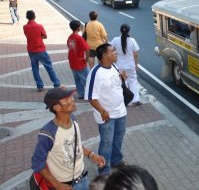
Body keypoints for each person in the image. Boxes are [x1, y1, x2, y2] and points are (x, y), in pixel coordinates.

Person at [31, 88, 106, 190]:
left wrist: (91, 155)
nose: (72, 100)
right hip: (65, 186)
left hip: (83, 179)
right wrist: (58, 185)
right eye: (67, 99)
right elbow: (37, 163)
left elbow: (76, 144)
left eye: (71, 97)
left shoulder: (73, 120)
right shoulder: (47, 133)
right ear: (57, 107)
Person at [85, 43, 128, 176]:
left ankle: (116, 161)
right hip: (107, 116)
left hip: (121, 112)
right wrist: (102, 111)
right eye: (112, 51)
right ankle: (104, 171)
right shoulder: (95, 73)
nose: (115, 53)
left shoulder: (113, 66)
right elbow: (91, 97)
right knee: (106, 143)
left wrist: (122, 78)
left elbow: (116, 86)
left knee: (118, 138)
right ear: (104, 55)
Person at [23, 10, 61, 91]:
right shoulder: (39, 26)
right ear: (34, 16)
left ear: (27, 17)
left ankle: (39, 85)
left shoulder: (25, 27)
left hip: (31, 50)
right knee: (49, 67)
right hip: (40, 49)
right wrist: (40, 37)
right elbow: (45, 36)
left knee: (35, 68)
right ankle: (56, 83)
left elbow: (27, 36)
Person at [110, 24, 141, 106]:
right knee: (133, 81)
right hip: (130, 65)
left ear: (120, 30)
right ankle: (134, 100)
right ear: (129, 31)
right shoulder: (132, 40)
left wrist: (115, 53)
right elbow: (136, 54)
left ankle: (124, 100)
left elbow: (109, 49)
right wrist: (136, 64)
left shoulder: (115, 40)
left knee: (122, 83)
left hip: (119, 66)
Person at [68, 20, 90, 99]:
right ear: (78, 28)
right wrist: (86, 59)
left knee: (77, 79)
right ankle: (89, 95)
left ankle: (81, 94)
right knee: (87, 79)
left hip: (72, 61)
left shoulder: (70, 37)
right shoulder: (79, 38)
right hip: (80, 61)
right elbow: (87, 50)